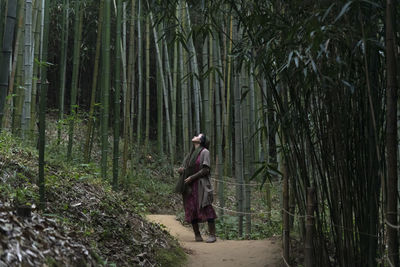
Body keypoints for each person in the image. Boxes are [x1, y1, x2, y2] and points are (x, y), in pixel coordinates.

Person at [175, 133, 217, 243]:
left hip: (201, 184)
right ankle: (197, 234)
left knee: (206, 207)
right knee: (191, 207)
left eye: (198, 135)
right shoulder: (190, 154)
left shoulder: (204, 152)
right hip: (189, 186)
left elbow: (205, 170)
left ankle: (212, 235)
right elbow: (187, 168)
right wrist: (182, 170)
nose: (195, 136)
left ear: (201, 141)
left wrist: (192, 177)